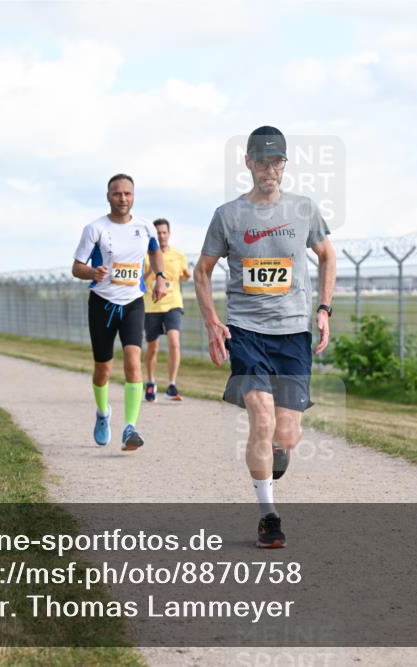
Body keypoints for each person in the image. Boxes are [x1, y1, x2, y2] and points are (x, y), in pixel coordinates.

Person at [194, 126, 336, 549]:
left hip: (293, 332)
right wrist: (212, 322)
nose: (269, 169)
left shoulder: (304, 209)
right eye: (262, 161)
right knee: (262, 418)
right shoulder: (228, 215)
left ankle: (278, 454)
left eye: (277, 161)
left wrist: (324, 310)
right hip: (246, 331)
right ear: (248, 163)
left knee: (286, 434)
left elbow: (327, 256)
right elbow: (202, 271)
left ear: (285, 165)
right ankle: (267, 516)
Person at [72, 173, 167, 451]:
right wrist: (91, 271)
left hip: (133, 302)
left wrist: (160, 275)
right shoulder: (95, 229)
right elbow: (76, 267)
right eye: (117, 194)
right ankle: (103, 414)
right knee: (103, 369)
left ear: (133, 196)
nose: (123, 198)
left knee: (133, 362)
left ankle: (130, 428)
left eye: (127, 193)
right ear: (108, 197)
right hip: (102, 303)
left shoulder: (145, 226)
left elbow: (155, 252)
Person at [142, 218, 191, 402]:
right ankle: (151, 382)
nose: (161, 235)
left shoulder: (178, 255)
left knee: (174, 341)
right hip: (152, 304)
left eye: (164, 232)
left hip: (173, 303)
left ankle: (171, 384)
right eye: (158, 233)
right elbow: (141, 280)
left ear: (168, 234)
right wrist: (154, 269)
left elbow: (184, 277)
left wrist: (186, 275)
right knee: (153, 348)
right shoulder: (146, 255)